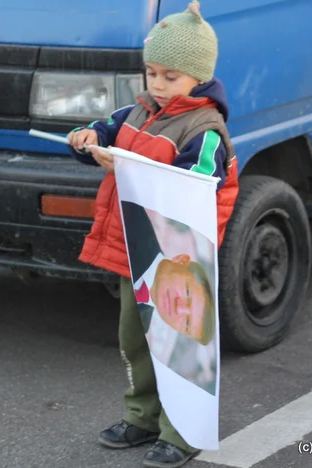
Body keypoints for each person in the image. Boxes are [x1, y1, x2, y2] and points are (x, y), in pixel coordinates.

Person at [67, 1, 239, 466]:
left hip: (178, 263)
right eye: (152, 73)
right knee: (135, 338)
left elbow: (195, 189)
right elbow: (101, 132)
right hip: (137, 252)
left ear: (198, 78)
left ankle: (182, 433)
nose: (158, 85)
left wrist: (122, 163)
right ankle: (143, 417)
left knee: (177, 344)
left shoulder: (205, 131)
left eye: (171, 76)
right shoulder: (135, 112)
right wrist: (86, 140)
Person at [121, 200, 215, 346]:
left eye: (187, 323)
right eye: (187, 293)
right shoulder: (136, 222)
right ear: (180, 260)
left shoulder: (141, 327)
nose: (179, 308)